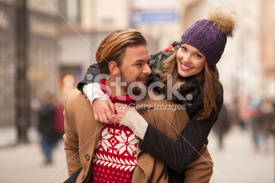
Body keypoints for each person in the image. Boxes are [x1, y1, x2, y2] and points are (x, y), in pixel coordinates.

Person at [77, 7, 236, 182]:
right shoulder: (160, 61)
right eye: (184, 49)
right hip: (137, 158)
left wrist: (134, 120)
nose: (185, 59)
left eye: (197, 55)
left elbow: (181, 156)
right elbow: (103, 67)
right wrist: (96, 96)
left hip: (172, 169)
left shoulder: (212, 93)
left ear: (209, 62)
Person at [63, 29, 213, 183]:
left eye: (148, 62)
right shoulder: (76, 102)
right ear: (113, 68)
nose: (148, 70)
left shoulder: (166, 110)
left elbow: (200, 164)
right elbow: (72, 146)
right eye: (139, 64)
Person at [38, 93, 58, 165]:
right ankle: (48, 156)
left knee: (45, 143)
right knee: (47, 143)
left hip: (48, 129)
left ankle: (48, 156)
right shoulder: (50, 106)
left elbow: (44, 114)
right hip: (48, 129)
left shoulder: (51, 107)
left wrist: (39, 109)